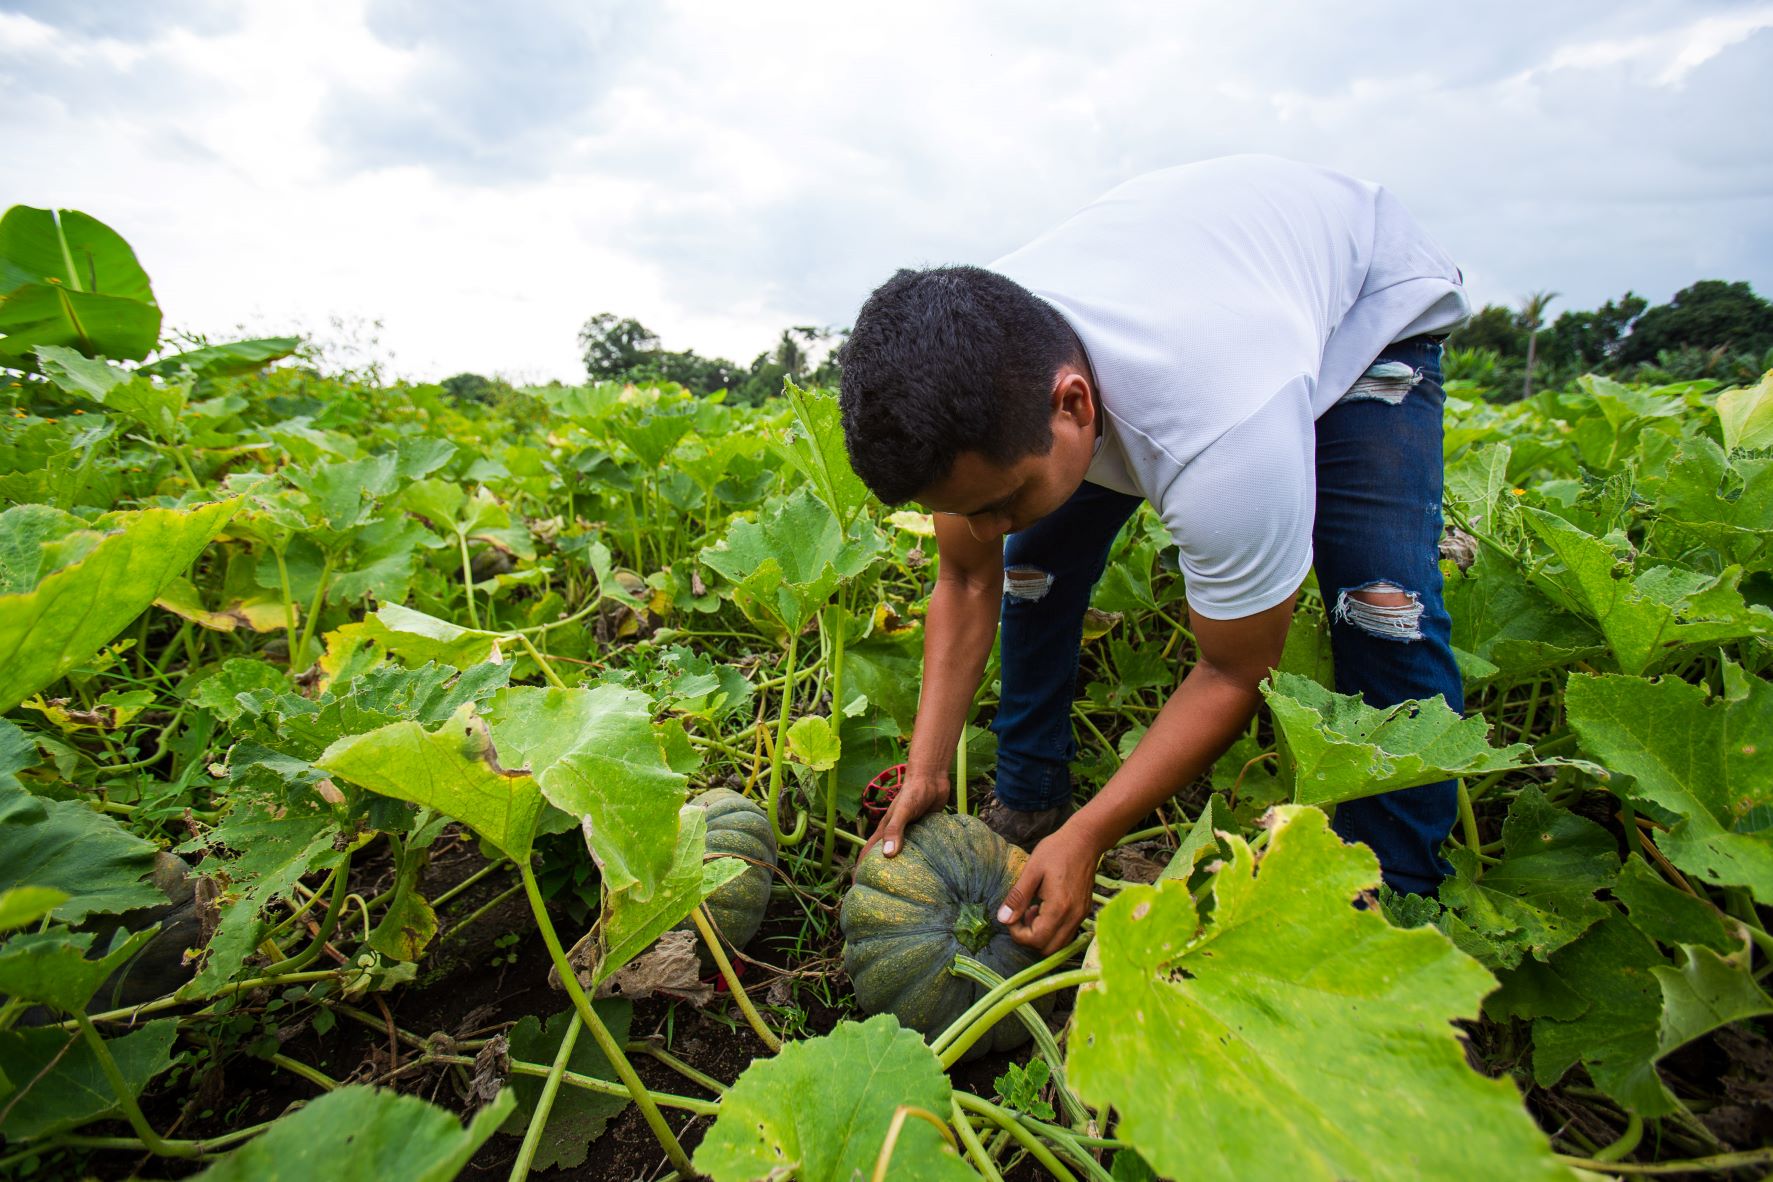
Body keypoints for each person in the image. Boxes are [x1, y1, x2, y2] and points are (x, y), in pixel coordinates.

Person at [836, 155, 1471, 955]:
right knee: (1029, 571)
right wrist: (928, 767)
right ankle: (1030, 795)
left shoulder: (1223, 439)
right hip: (1200, 288)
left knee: (1381, 605)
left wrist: (1096, 833)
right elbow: (967, 576)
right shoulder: (978, 366)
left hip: (1363, 303)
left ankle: (1399, 901)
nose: (984, 528)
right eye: (961, 508)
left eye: (997, 500)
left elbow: (1233, 670)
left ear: (1072, 405)